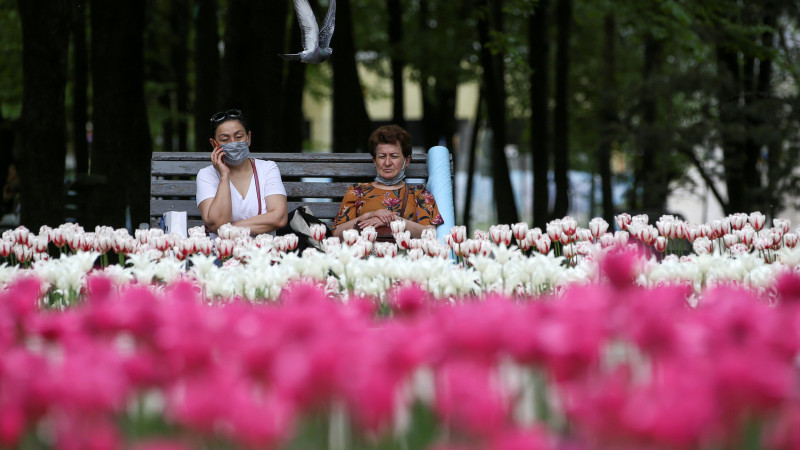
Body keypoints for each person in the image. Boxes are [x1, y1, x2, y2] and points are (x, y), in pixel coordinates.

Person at [333, 124, 443, 239]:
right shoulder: (357, 191)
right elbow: (337, 234)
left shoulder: (419, 194)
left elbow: (430, 234)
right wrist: (369, 215)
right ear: (374, 161)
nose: (387, 163)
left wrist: (394, 220)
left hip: (405, 255)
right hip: (365, 254)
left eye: (394, 156)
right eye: (382, 156)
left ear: (407, 161)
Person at [196, 109, 288, 235]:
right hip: (222, 253)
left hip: (263, 252)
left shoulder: (267, 168)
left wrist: (227, 229)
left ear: (248, 138)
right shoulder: (206, 175)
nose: (233, 143)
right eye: (225, 139)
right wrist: (224, 176)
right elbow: (217, 222)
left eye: (239, 137)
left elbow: (279, 218)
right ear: (214, 144)